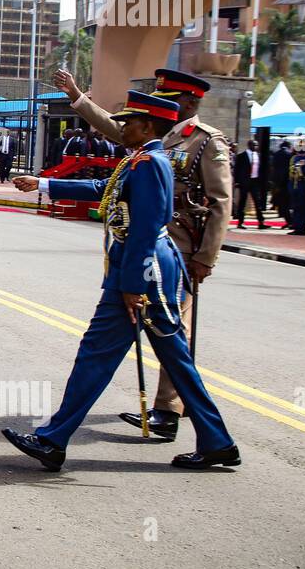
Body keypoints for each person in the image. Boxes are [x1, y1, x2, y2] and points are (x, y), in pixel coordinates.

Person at [4, 90, 239, 472]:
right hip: (143, 267)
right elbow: (104, 190)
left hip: (142, 271)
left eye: (129, 121)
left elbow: (146, 227)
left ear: (147, 126)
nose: (123, 126)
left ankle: (53, 439)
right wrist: (44, 184)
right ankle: (217, 441)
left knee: (98, 354)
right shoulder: (141, 160)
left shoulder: (148, 163)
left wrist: (132, 285)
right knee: (170, 358)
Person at [56, 66, 231, 441]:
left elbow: (220, 203)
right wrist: (77, 96)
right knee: (167, 339)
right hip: (147, 244)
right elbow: (114, 128)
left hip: (179, 245)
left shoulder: (204, 140)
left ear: (189, 102)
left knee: (171, 335)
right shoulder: (154, 136)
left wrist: (206, 257)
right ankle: (208, 434)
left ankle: (169, 410)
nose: (162, 104)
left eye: (170, 99)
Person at [233, 139, 267, 229]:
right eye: (254, 145)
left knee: (257, 202)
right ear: (249, 145)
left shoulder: (258, 155)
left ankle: (261, 222)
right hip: (244, 182)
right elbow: (236, 170)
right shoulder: (241, 156)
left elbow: (261, 169)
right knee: (242, 202)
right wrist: (237, 182)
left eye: (257, 145)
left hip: (254, 181)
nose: (256, 147)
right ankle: (240, 222)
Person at [270, 140, 293, 227]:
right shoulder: (289, 155)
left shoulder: (276, 154)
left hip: (277, 181)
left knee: (282, 203)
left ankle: (288, 220)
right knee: (287, 203)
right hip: (286, 181)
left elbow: (273, 168)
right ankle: (290, 221)